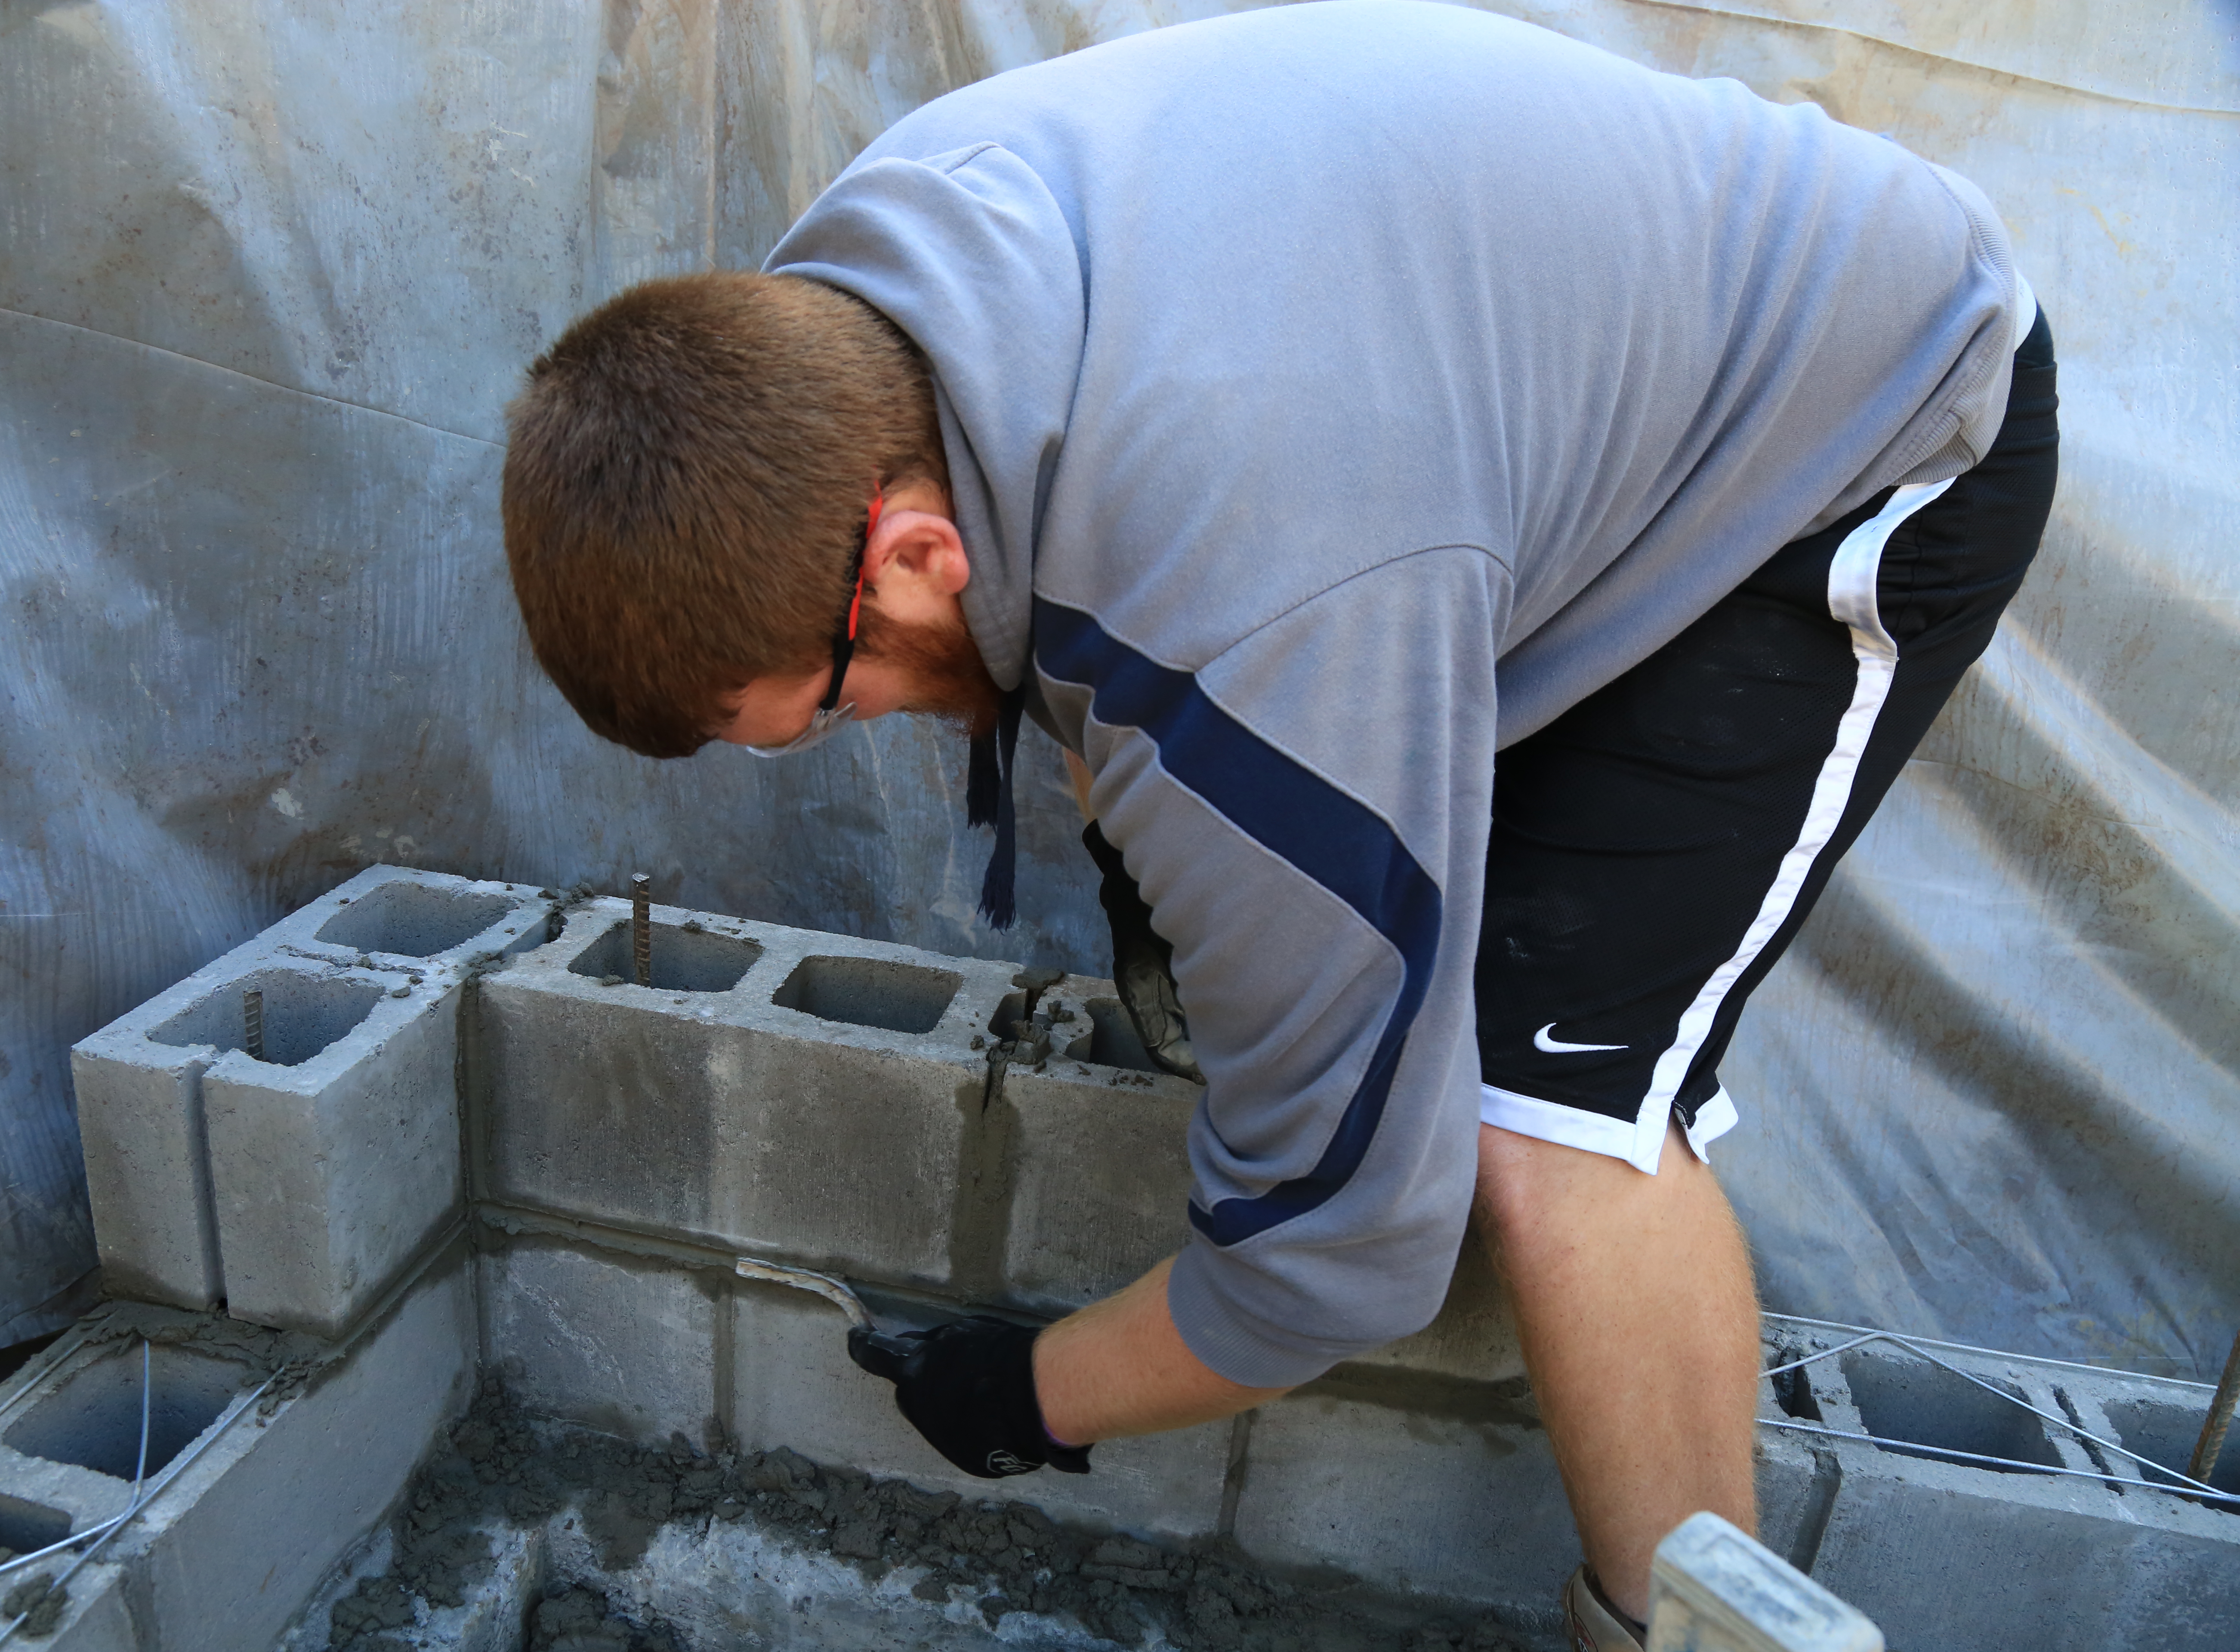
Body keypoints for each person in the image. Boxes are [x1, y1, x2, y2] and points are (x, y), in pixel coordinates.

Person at [497, 5, 2057, 1646]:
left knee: (1549, 1109)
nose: (854, 733)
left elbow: (1342, 1261)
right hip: (1485, 398)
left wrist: (1035, 1390)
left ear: (904, 556)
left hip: (1858, 426)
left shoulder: (1253, 607)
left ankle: (1695, 1640)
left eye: (829, 702)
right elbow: (1137, 619)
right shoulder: (875, 301)